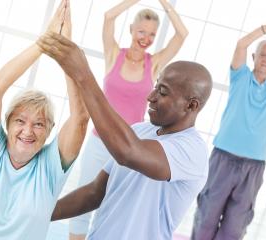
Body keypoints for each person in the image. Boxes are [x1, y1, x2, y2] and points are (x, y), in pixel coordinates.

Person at [37, 32, 212, 239]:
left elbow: (128, 152)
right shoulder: (139, 130)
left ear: (191, 105)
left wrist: (82, 73)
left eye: (163, 92)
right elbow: (95, 192)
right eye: (156, 86)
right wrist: (38, 215)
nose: (150, 96)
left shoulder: (193, 151)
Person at [0, 1, 89, 239]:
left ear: (49, 131)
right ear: (8, 123)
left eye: (39, 124)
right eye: (20, 121)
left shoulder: (50, 168)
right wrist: (43, 43)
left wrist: (66, 51)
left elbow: (80, 118)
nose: (28, 131)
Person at [68, 0, 188, 238]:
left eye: (152, 34)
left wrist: (165, 3)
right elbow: (108, 17)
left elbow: (182, 34)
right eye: (141, 31)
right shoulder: (114, 55)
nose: (145, 38)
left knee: (114, 208)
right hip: (99, 143)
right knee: (82, 207)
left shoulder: (153, 64)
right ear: (131, 29)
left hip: (129, 149)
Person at [191, 9, 266, 240]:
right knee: (206, 219)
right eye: (263, 54)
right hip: (223, 158)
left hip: (254, 166)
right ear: (254, 57)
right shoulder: (240, 76)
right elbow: (241, 44)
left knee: (235, 228)